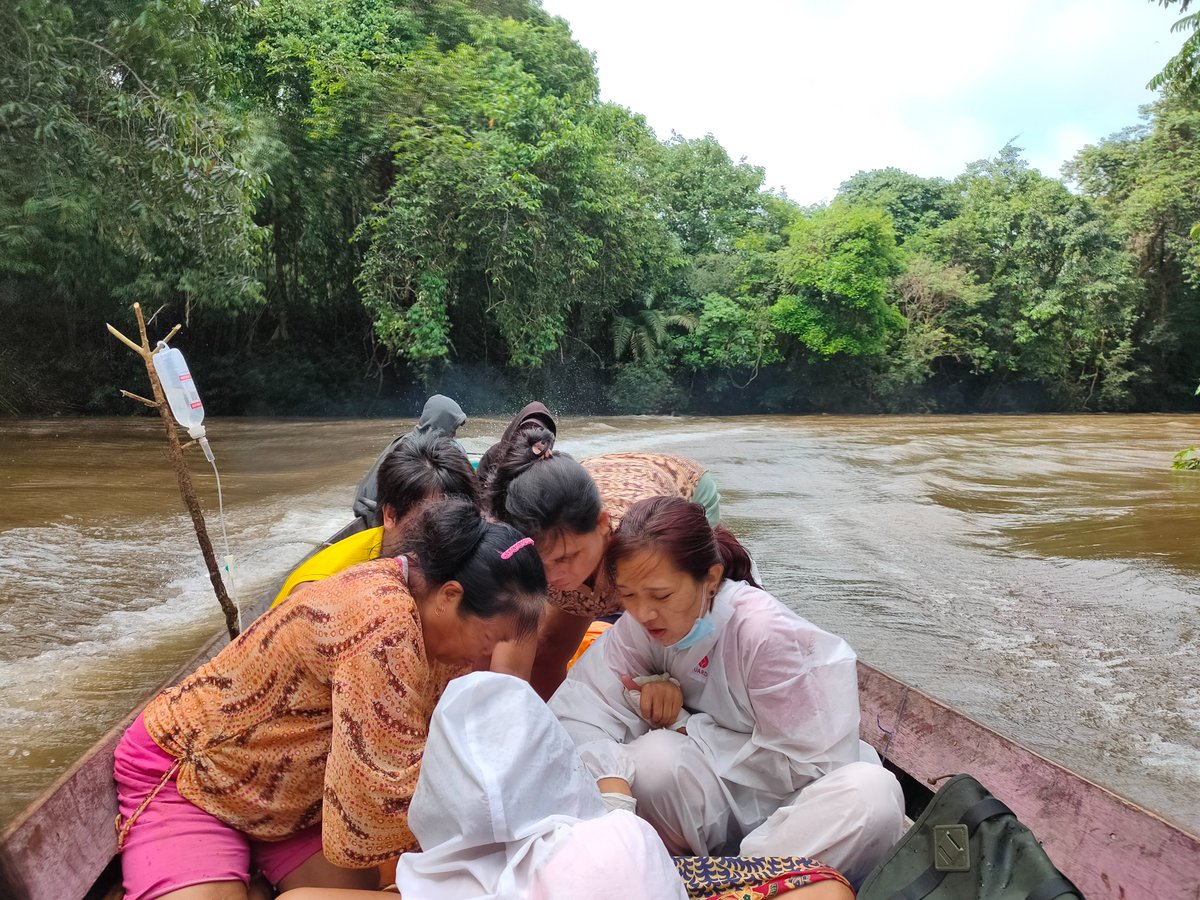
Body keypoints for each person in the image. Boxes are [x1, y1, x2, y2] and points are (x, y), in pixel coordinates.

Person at [113, 499, 546, 900]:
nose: (489, 657)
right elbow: (378, 795)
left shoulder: (424, 608)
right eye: (491, 639)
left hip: (299, 799)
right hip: (197, 775)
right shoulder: (382, 625)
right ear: (450, 596)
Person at [549, 496, 906, 888]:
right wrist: (615, 795)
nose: (645, 613)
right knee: (651, 761)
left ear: (712, 578)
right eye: (629, 596)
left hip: (804, 807)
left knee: (873, 797)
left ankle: (715, 884)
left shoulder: (763, 634)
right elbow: (577, 712)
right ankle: (723, 882)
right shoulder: (640, 628)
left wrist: (685, 724)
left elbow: (812, 767)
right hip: (723, 798)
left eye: (662, 595)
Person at [278, 670, 689, 900]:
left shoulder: (459, 889)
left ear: (442, 790)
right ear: (551, 755)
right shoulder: (625, 833)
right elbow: (611, 792)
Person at [486, 426, 720, 699]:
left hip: (679, 486)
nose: (552, 577)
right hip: (589, 482)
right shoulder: (521, 555)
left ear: (601, 524)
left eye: (565, 558)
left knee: (683, 633)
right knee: (548, 646)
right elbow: (510, 666)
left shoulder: (638, 546)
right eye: (541, 563)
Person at [273, 431, 478, 605]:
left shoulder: (453, 555)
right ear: (391, 515)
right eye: (429, 524)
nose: (444, 536)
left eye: (455, 524)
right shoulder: (322, 593)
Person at [352, 394, 469, 527]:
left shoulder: (410, 439)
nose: (453, 434)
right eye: (453, 429)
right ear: (443, 423)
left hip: (373, 508)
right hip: (374, 513)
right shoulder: (416, 449)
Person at [475, 400, 557, 488]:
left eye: (537, 431)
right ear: (516, 430)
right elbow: (478, 488)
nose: (528, 438)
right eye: (525, 431)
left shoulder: (550, 463)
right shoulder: (495, 452)